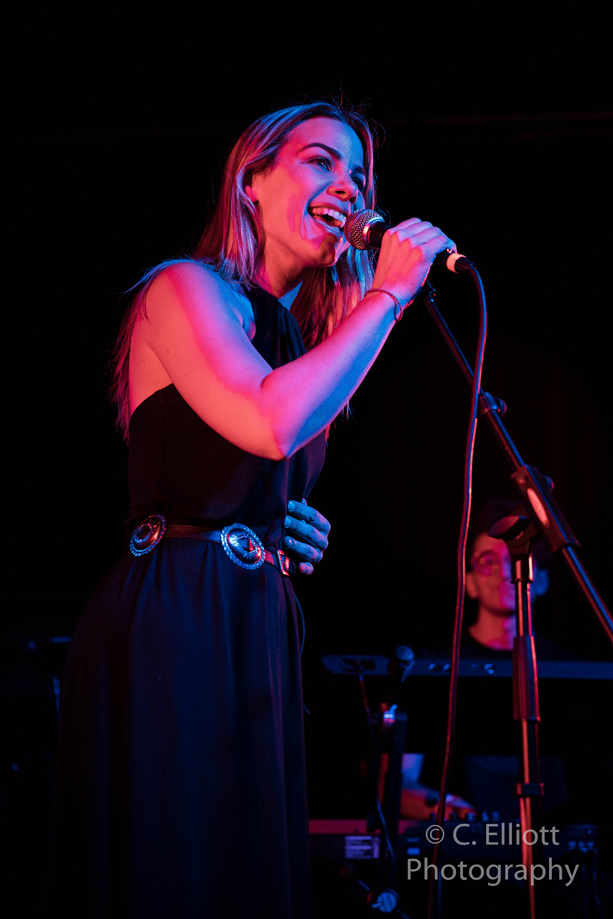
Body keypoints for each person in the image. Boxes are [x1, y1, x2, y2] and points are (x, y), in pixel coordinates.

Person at [46, 99, 455, 918]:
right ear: (250, 183)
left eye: (359, 174)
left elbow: (264, 451)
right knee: (177, 865)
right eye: (319, 161)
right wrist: (386, 296)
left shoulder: (300, 338)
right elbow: (269, 423)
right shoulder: (183, 287)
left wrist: (281, 525)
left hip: (253, 616)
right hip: (174, 612)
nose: (349, 187)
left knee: (244, 868)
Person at [398, 498, 567, 821]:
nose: (504, 572)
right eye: (488, 561)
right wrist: (446, 809)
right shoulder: (430, 672)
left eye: (517, 559)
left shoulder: (571, 672)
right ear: (469, 581)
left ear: (542, 580)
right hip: (461, 843)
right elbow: (395, 783)